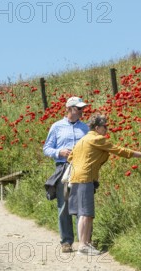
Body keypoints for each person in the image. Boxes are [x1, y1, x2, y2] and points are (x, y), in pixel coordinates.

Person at [67, 114, 141, 256]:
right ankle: (83, 246)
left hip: (76, 177)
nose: (107, 129)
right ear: (97, 128)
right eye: (105, 126)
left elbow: (70, 157)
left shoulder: (83, 140)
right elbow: (118, 150)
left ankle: (85, 243)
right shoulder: (96, 139)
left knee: (85, 213)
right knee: (85, 213)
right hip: (85, 178)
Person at [43, 97, 90, 253]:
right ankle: (66, 241)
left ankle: (84, 241)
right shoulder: (56, 127)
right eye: (79, 108)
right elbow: (47, 148)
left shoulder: (86, 128)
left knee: (82, 204)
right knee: (64, 205)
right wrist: (59, 152)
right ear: (69, 109)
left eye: (82, 108)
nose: (82, 111)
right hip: (63, 167)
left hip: (81, 168)